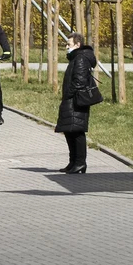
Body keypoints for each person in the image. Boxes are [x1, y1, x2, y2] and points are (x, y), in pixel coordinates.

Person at [55, 33, 95, 174]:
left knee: (77, 131)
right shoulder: (76, 58)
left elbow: (79, 81)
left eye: (68, 44)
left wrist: (68, 94)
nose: (66, 46)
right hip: (71, 100)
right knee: (69, 130)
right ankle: (73, 162)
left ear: (78, 45)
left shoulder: (80, 59)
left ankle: (80, 163)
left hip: (76, 100)